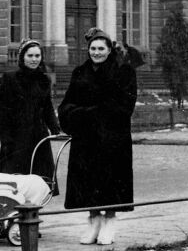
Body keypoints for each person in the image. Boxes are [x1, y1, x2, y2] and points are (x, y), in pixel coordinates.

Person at [58, 28, 138, 245]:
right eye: (93, 48)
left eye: (101, 48)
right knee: (86, 184)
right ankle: (93, 221)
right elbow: (66, 105)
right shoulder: (79, 72)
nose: (96, 52)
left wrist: (88, 113)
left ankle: (110, 222)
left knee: (110, 183)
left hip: (112, 140)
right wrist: (80, 115)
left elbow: (123, 107)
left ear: (109, 49)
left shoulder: (123, 72)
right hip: (85, 141)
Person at [0, 39, 61, 187]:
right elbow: (3, 112)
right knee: (15, 182)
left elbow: (47, 107)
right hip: (16, 138)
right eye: (30, 56)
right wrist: (6, 140)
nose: (34, 60)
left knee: (39, 183)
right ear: (22, 57)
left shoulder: (44, 79)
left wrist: (55, 128)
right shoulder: (10, 78)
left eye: (37, 56)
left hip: (38, 137)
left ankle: (34, 211)